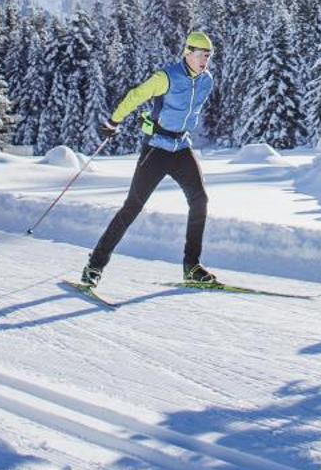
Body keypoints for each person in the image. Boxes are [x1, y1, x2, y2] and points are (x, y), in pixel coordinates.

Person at [78, 30, 219, 290]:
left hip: (181, 147)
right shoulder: (166, 77)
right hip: (156, 149)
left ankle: (192, 266)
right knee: (132, 206)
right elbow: (135, 96)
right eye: (200, 55)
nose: (204, 61)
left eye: (208, 56)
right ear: (187, 53)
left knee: (200, 200)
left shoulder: (206, 80)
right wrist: (113, 121)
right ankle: (95, 265)